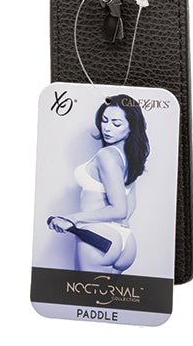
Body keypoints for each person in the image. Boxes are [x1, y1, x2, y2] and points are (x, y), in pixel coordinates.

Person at [48, 94, 150, 273]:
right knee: (110, 293)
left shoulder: (106, 156)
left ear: (131, 128)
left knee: (83, 291)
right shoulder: (130, 158)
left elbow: (119, 209)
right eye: (104, 120)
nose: (107, 128)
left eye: (116, 124)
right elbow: (129, 207)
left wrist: (71, 219)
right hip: (126, 241)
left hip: (98, 237)